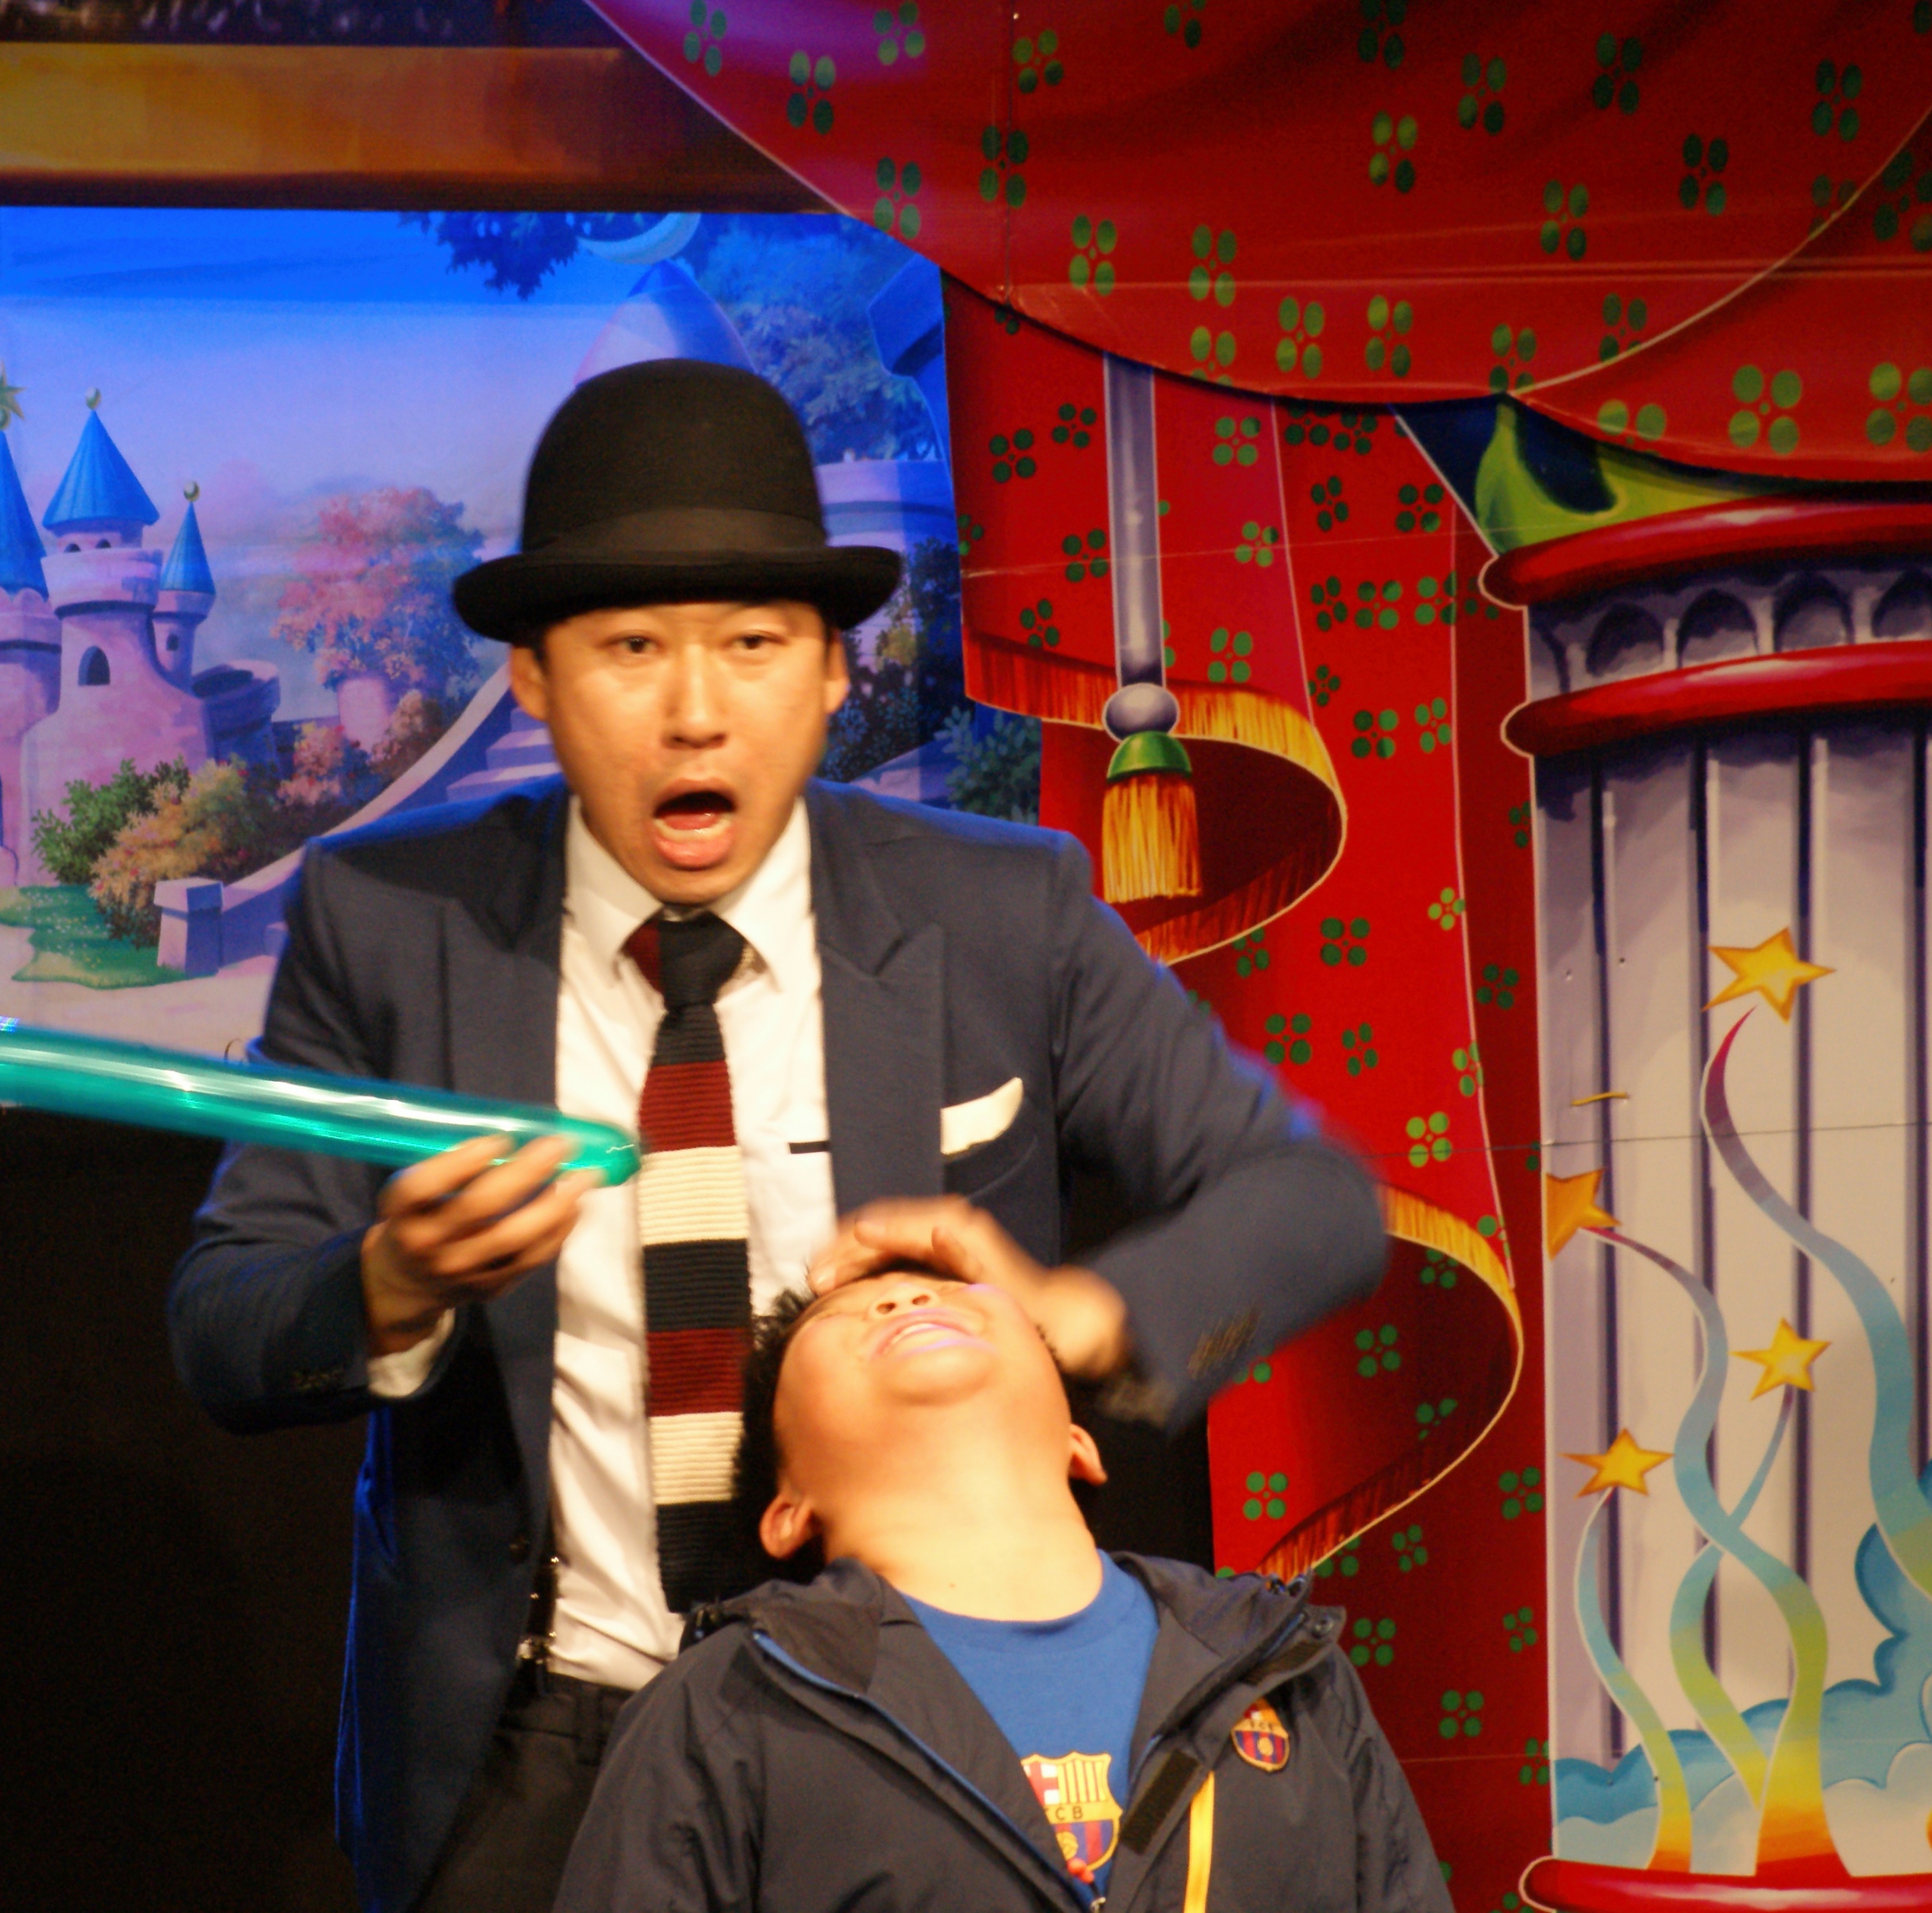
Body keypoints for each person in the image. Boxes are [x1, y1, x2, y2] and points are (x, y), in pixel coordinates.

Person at [168, 358, 1384, 1913]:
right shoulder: (392, 921)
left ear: (829, 671)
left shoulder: (998, 910)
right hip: (528, 1749)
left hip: (914, 1731)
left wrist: (1072, 1314)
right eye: (630, 650)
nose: (695, 712)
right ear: (533, 677)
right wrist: (390, 1282)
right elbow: (222, 1324)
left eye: (751, 645)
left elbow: (1308, 1201)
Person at [552, 1265, 1448, 1913]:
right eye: (841, 1313)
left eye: (952, 1291)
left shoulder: (1281, 1674)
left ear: (1077, 1443)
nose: (907, 1300)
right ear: (788, 1509)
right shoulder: (725, 1708)